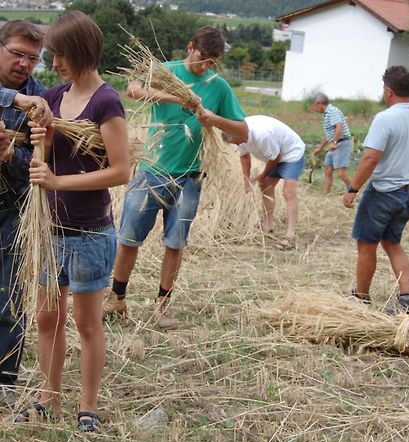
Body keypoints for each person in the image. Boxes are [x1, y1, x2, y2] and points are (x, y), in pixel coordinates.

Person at [15, 12, 129, 432]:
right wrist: (31, 141)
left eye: (60, 54)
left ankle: (88, 407)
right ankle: (49, 400)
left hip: (88, 233)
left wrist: (58, 180)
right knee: (48, 319)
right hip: (49, 230)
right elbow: (43, 147)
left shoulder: (106, 101)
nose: (54, 62)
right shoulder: (56, 96)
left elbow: (121, 171)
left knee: (85, 322)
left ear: (80, 51)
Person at [102, 26, 248, 328]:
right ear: (190, 46)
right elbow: (134, 89)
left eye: (212, 61)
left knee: (175, 243)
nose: (205, 66)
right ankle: (116, 298)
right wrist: (176, 98)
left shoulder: (218, 86)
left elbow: (242, 130)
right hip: (151, 170)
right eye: (202, 57)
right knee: (129, 238)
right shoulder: (166, 71)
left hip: (189, 178)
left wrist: (211, 118)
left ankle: (162, 306)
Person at [343, 66, 409, 312]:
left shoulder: (385, 118)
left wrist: (352, 188)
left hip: (383, 194)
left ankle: (361, 297)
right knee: (392, 244)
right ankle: (407, 297)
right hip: (406, 194)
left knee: (366, 244)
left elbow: (370, 158)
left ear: (388, 90)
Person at [0, 20, 53, 408]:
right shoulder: (25, 101)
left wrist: (8, 154)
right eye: (17, 53)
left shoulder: (42, 99)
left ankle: (4, 383)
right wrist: (12, 100)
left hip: (13, 210)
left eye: (33, 58)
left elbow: (41, 165)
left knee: (9, 300)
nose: (24, 63)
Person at [225, 115, 305, 250]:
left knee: (288, 191)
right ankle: (268, 225)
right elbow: (244, 157)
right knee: (266, 186)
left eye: (237, 142)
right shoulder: (239, 135)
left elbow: (275, 158)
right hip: (276, 154)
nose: (238, 145)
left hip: (291, 153)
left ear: (239, 135)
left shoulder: (262, 135)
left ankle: (290, 236)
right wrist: (246, 181)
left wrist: (262, 175)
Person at [312, 93, 353, 194]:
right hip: (335, 144)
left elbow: (339, 127)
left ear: (320, 104)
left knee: (341, 173)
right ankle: (325, 195)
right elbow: (328, 134)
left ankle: (353, 191)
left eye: (316, 106)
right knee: (328, 170)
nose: (315, 109)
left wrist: (334, 142)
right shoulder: (327, 114)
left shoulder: (332, 111)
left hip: (342, 143)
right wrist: (320, 148)